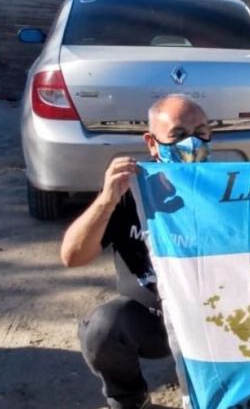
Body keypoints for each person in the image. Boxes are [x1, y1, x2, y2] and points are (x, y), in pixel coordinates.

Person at [60, 94, 212, 409]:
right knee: (104, 328)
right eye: (179, 136)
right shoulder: (131, 193)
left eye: (201, 133)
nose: (192, 144)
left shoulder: (226, 190)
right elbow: (72, 256)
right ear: (152, 143)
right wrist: (106, 201)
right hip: (153, 319)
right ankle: (128, 398)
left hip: (215, 316)